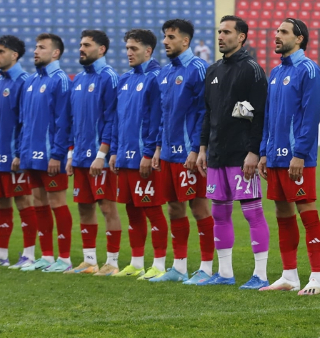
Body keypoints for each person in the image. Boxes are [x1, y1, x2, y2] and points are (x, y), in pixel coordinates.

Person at [197, 15, 270, 289]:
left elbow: (260, 115)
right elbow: (208, 113)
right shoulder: (213, 70)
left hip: (241, 155)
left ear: (241, 37)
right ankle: (225, 273)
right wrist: (204, 148)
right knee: (219, 214)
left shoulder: (252, 69)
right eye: (219, 31)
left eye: (226, 32)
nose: (220, 36)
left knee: (252, 213)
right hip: (216, 154)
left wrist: (253, 151)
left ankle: (260, 275)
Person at [258, 18, 320, 295]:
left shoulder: (309, 70)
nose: (277, 35)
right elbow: (269, 117)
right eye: (276, 31)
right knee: (282, 214)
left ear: (299, 38)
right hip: (274, 156)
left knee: (307, 213)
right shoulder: (274, 72)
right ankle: (289, 276)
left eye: (283, 32)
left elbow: (310, 116)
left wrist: (300, 154)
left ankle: (317, 279)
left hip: (298, 158)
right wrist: (264, 151)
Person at [149, 19, 215, 284]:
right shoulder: (164, 73)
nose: (165, 41)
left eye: (171, 37)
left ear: (185, 41)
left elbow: (204, 112)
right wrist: (157, 147)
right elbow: (163, 115)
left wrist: (196, 149)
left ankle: (207, 268)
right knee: (174, 209)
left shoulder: (199, 69)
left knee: (199, 208)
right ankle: (178, 267)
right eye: (165, 36)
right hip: (167, 153)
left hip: (188, 154)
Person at [109, 29, 168, 280]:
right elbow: (117, 119)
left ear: (148, 50)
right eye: (127, 48)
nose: (129, 53)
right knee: (132, 209)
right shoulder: (124, 79)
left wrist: (149, 152)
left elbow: (156, 118)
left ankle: (159, 263)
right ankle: (135, 262)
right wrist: (113, 151)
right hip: (124, 156)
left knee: (152, 209)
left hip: (143, 157)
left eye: (134, 48)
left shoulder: (156, 77)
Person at [0, 35, 38, 268]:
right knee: (1, 203)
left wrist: (21, 153)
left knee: (23, 201)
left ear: (14, 55)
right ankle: (0, 255)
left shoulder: (25, 82)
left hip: (14, 155)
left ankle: (29, 254)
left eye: (1, 51)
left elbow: (26, 122)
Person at [65, 30, 123, 276]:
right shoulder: (77, 79)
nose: (81, 48)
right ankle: (89, 262)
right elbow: (72, 120)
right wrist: (70, 155)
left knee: (107, 207)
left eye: (87, 45)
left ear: (101, 49)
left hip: (98, 157)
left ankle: (112, 262)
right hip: (79, 157)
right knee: (84, 207)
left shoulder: (109, 77)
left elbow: (112, 118)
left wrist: (102, 153)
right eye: (80, 44)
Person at [17, 33, 73, 273]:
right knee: (38, 202)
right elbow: (24, 122)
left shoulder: (60, 80)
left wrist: (58, 154)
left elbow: (64, 122)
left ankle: (65, 258)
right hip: (31, 154)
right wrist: (21, 152)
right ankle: (47, 256)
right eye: (35, 47)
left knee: (57, 202)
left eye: (41, 47)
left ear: (56, 53)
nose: (35, 51)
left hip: (51, 155)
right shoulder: (29, 81)